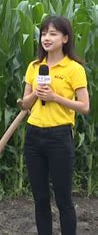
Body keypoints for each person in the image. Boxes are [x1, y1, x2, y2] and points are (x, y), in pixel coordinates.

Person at [20, 15, 89, 235]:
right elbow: (24, 104)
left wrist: (55, 97)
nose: (46, 38)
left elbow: (84, 106)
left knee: (63, 199)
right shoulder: (34, 67)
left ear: (65, 38)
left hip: (59, 137)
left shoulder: (74, 69)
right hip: (33, 137)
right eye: (43, 33)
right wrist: (34, 96)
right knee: (40, 200)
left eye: (53, 33)